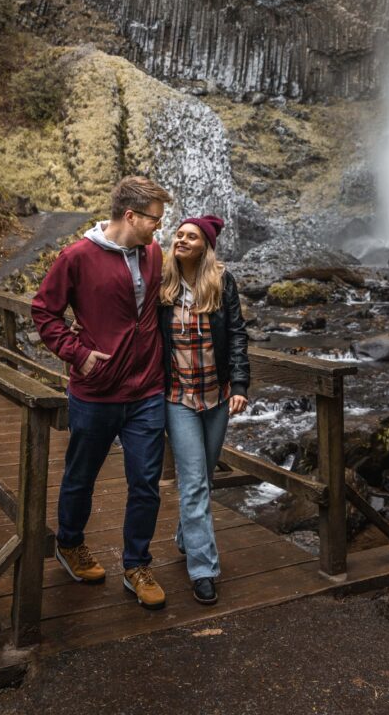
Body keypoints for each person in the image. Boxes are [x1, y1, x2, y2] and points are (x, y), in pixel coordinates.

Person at [31, 175, 172, 610]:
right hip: (95, 392)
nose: (159, 229)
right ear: (130, 216)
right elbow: (44, 311)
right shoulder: (76, 257)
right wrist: (79, 354)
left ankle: (137, 564)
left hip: (147, 388)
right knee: (81, 477)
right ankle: (70, 543)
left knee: (146, 482)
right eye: (154, 220)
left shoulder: (152, 253)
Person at [159, 214, 250, 605]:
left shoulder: (222, 281)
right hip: (178, 398)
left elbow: (237, 334)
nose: (181, 240)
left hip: (216, 395)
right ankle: (204, 569)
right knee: (193, 481)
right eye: (178, 234)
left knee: (204, 479)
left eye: (190, 236)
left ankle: (186, 535)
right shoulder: (161, 283)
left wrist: (241, 384)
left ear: (205, 246)